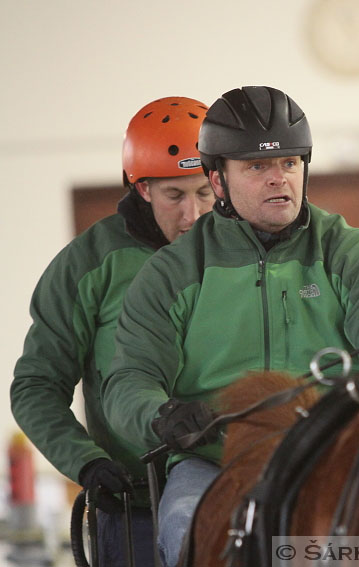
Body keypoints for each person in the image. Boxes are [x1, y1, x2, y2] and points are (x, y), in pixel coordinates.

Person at [102, 86, 359, 567]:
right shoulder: (171, 273)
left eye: (290, 164)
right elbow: (128, 381)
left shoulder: (352, 254)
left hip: (332, 451)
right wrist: (161, 415)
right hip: (213, 459)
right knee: (185, 521)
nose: (279, 179)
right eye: (257, 167)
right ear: (218, 180)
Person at [11, 96, 214, 566]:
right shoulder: (88, 265)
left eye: (205, 192)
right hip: (132, 508)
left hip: (232, 491)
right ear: (141, 188)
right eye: (174, 196)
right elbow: (36, 385)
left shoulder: (241, 252)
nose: (194, 216)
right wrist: (85, 461)